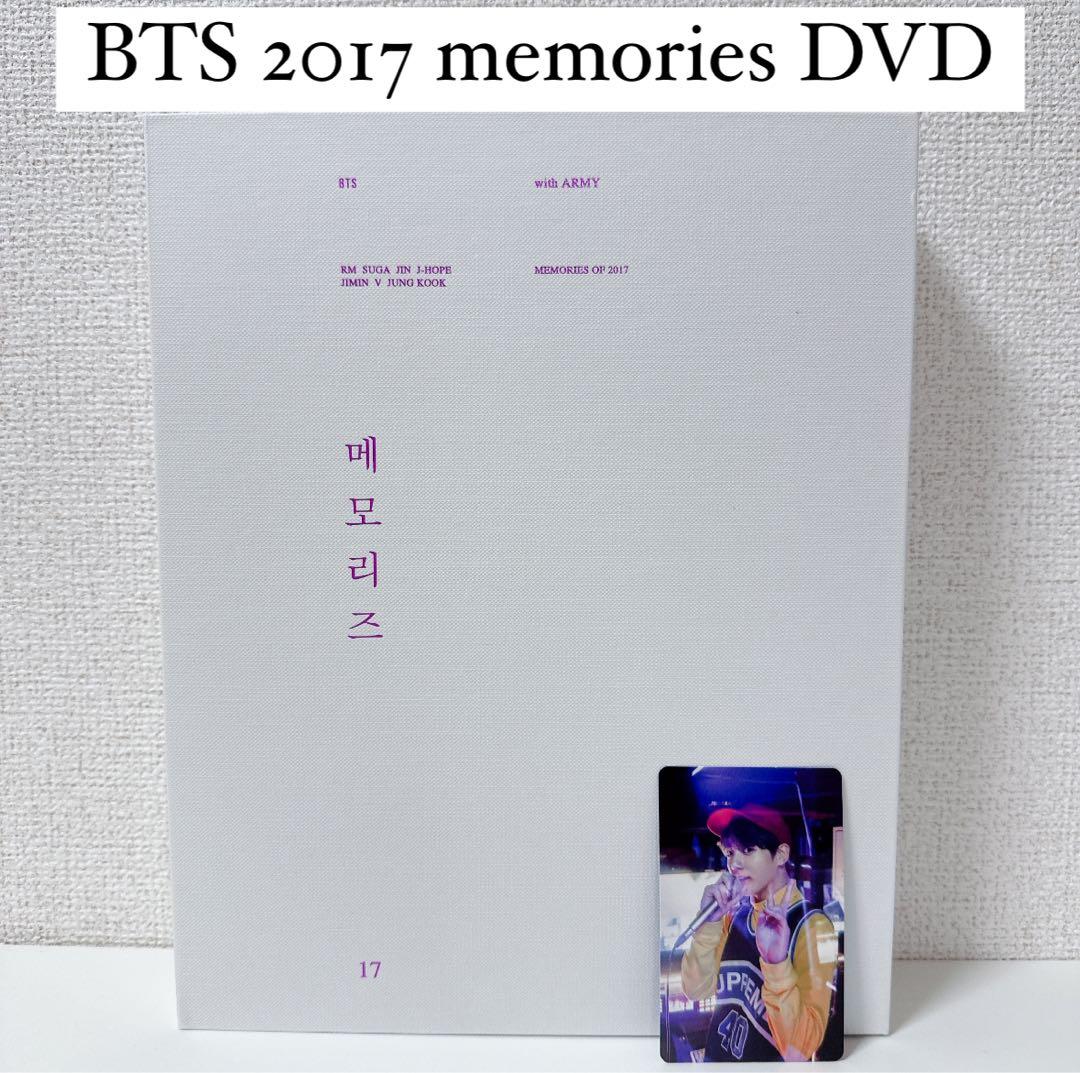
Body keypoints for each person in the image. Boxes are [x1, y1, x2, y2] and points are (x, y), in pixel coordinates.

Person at [679, 804, 838, 1062]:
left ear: (781, 854)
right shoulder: (735, 915)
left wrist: (776, 963)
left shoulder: (814, 926)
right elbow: (696, 990)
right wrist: (709, 924)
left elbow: (799, 1052)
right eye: (730, 852)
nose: (734, 864)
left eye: (748, 850)